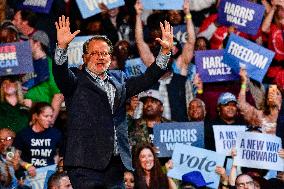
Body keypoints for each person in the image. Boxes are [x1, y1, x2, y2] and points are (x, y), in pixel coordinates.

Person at [53, 15, 173, 188]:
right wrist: (62, 47)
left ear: (110, 58)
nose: (100, 57)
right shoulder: (75, 80)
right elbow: (60, 73)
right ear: (85, 58)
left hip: (115, 164)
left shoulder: (120, 79)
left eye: (105, 53)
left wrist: (165, 52)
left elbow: (148, 78)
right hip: (85, 165)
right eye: (95, 53)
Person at [13, 102, 62, 176]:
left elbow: (60, 156)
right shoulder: (23, 134)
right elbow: (15, 157)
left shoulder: (56, 134)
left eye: (51, 116)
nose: (49, 119)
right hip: (29, 175)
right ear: (36, 116)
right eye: (46, 116)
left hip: (50, 174)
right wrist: (27, 165)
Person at [239, 68, 282, 134]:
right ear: (266, 100)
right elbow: (241, 104)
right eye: (271, 93)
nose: (273, 95)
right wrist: (244, 83)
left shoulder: (281, 117)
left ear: (281, 100)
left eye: (277, 94)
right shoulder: (258, 115)